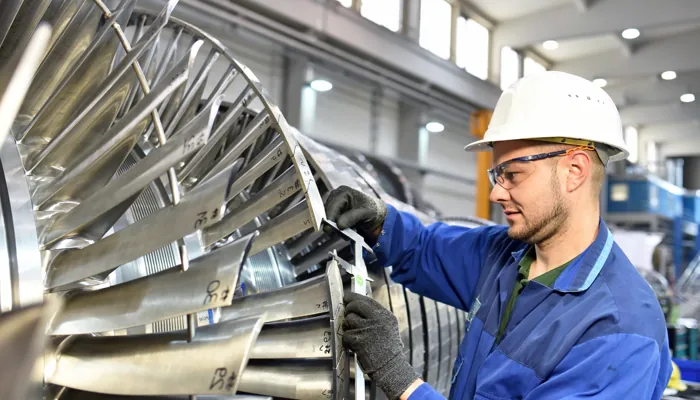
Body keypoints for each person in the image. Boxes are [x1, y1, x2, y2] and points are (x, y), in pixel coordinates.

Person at [326, 71, 673, 400]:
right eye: (497, 175)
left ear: (575, 171)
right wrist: (379, 221)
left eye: (513, 174)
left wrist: (401, 380)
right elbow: (423, 250)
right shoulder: (505, 255)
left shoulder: (619, 330)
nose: (496, 193)